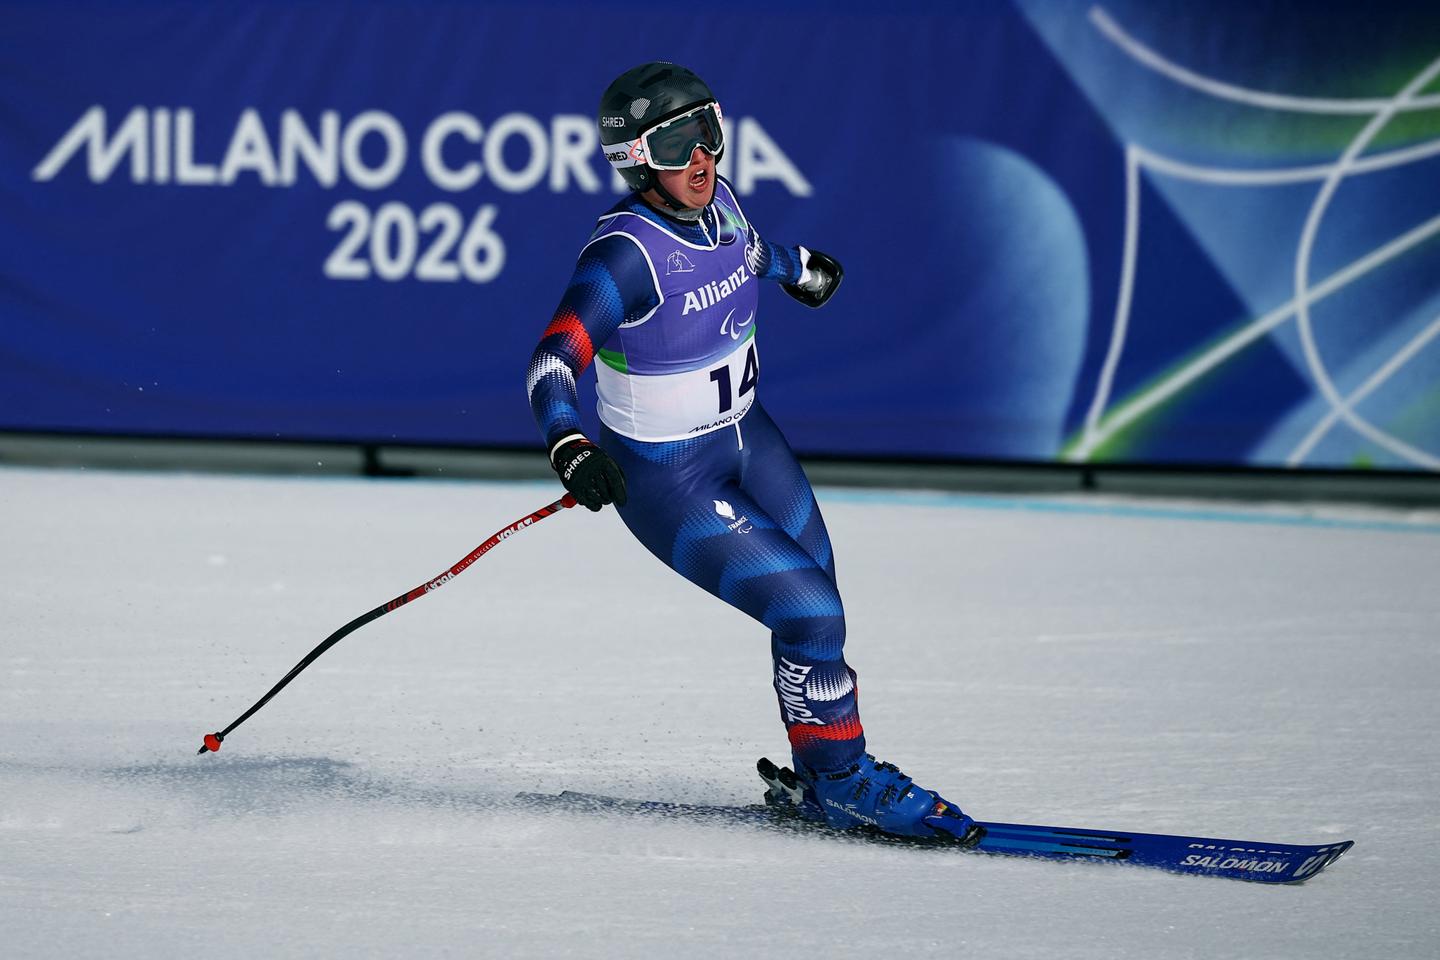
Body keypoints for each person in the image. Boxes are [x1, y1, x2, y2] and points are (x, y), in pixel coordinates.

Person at [525, 62, 977, 844]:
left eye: (707, 130)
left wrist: (799, 268)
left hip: (747, 435)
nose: (701, 156)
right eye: (674, 141)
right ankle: (844, 781)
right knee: (809, 610)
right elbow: (551, 362)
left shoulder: (719, 203)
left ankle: (819, 767)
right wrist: (570, 443)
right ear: (636, 159)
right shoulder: (624, 256)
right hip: (668, 475)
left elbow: (745, 249)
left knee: (819, 598)